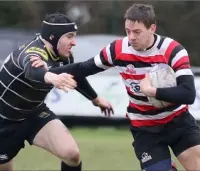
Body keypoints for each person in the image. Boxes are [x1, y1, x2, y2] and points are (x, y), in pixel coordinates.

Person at [31, 4, 200, 171]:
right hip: (146, 128)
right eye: (128, 31)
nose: (131, 37)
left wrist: (152, 91)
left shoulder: (172, 50)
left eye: (137, 32)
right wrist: (49, 71)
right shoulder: (118, 49)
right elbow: (83, 68)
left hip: (178, 122)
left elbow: (188, 94)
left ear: (152, 28)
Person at [0, 12, 114, 171]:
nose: (74, 42)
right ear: (53, 37)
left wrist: (95, 99)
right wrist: (50, 76)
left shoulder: (64, 57)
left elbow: (75, 75)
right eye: (69, 36)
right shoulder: (32, 52)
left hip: (34, 114)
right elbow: (32, 70)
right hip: (3, 120)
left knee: (71, 154)